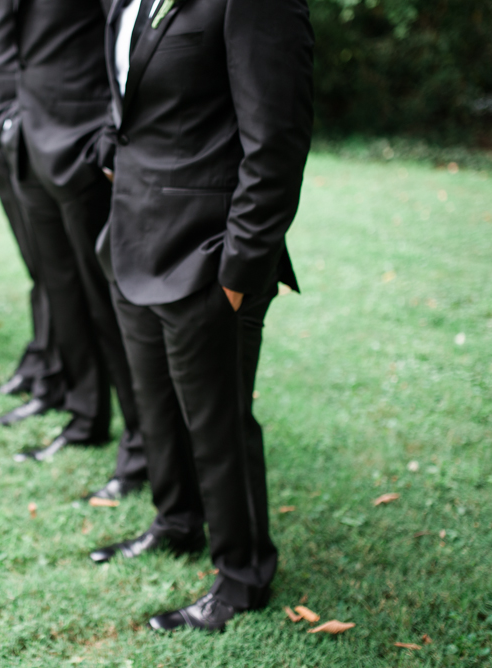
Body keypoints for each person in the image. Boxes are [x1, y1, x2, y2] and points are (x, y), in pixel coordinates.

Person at [89, 0, 314, 633]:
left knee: (218, 424)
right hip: (132, 235)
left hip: (208, 253)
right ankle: (176, 522)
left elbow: (278, 141)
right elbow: (132, 98)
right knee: (155, 402)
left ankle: (242, 577)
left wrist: (240, 273)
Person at [9, 0, 147, 501]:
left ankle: (142, 448)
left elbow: (128, 28)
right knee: (63, 294)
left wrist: (107, 135)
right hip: (30, 138)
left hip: (82, 145)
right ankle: (86, 414)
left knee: (109, 307)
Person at [0, 0, 65, 415]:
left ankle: (56, 376)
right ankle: (44, 362)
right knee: (38, 265)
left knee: (53, 268)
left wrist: (14, 119)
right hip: (3, 129)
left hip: (32, 126)